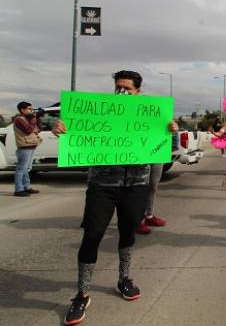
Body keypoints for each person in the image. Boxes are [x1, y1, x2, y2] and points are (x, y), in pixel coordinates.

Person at [59, 70, 178, 326]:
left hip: (135, 185)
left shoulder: (151, 113)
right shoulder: (100, 110)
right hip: (102, 184)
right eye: (118, 87)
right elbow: (78, 133)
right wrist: (63, 129)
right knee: (92, 234)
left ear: (138, 91)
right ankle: (82, 293)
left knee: (127, 233)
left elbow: (163, 142)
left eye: (126, 88)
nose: (121, 92)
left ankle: (124, 279)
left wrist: (170, 130)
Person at [12, 101, 43, 197]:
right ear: (22, 110)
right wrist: (34, 118)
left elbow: (38, 129)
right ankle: (18, 189)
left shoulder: (27, 119)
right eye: (29, 109)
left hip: (31, 146)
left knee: (27, 168)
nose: (31, 110)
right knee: (21, 168)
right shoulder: (19, 119)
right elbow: (29, 130)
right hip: (24, 147)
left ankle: (27, 187)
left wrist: (39, 118)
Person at [135, 163, 166, 235]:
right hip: (140, 156)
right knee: (138, 188)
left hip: (157, 155)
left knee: (153, 186)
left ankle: (149, 216)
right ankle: (135, 221)